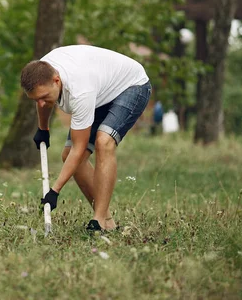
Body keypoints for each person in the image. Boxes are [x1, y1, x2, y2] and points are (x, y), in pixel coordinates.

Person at [20, 45, 151, 232]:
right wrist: (43, 128)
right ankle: (108, 222)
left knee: (104, 142)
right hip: (99, 90)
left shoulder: (79, 91)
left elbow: (79, 148)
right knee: (68, 156)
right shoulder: (42, 72)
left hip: (131, 86)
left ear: (56, 81)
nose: (41, 103)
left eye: (44, 97)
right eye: (35, 100)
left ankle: (98, 221)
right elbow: (43, 102)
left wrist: (54, 190)